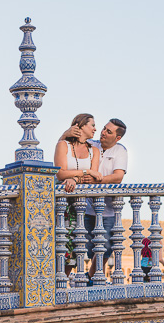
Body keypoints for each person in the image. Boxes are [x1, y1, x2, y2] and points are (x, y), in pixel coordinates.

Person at [62, 118, 128, 278]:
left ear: (117, 138)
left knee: (105, 246)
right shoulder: (92, 144)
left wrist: (97, 180)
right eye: (104, 129)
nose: (103, 132)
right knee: (75, 243)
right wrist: (66, 133)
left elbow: (118, 177)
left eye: (109, 131)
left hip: (108, 209)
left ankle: (92, 276)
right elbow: (67, 147)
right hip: (85, 206)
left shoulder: (120, 151)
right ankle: (62, 278)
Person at [54, 114, 101, 273]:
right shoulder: (63, 145)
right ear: (80, 126)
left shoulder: (94, 151)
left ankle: (63, 282)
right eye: (92, 125)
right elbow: (60, 174)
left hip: (80, 206)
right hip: (61, 205)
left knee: (74, 246)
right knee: (60, 243)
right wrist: (84, 171)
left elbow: (91, 178)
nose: (95, 129)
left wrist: (74, 177)